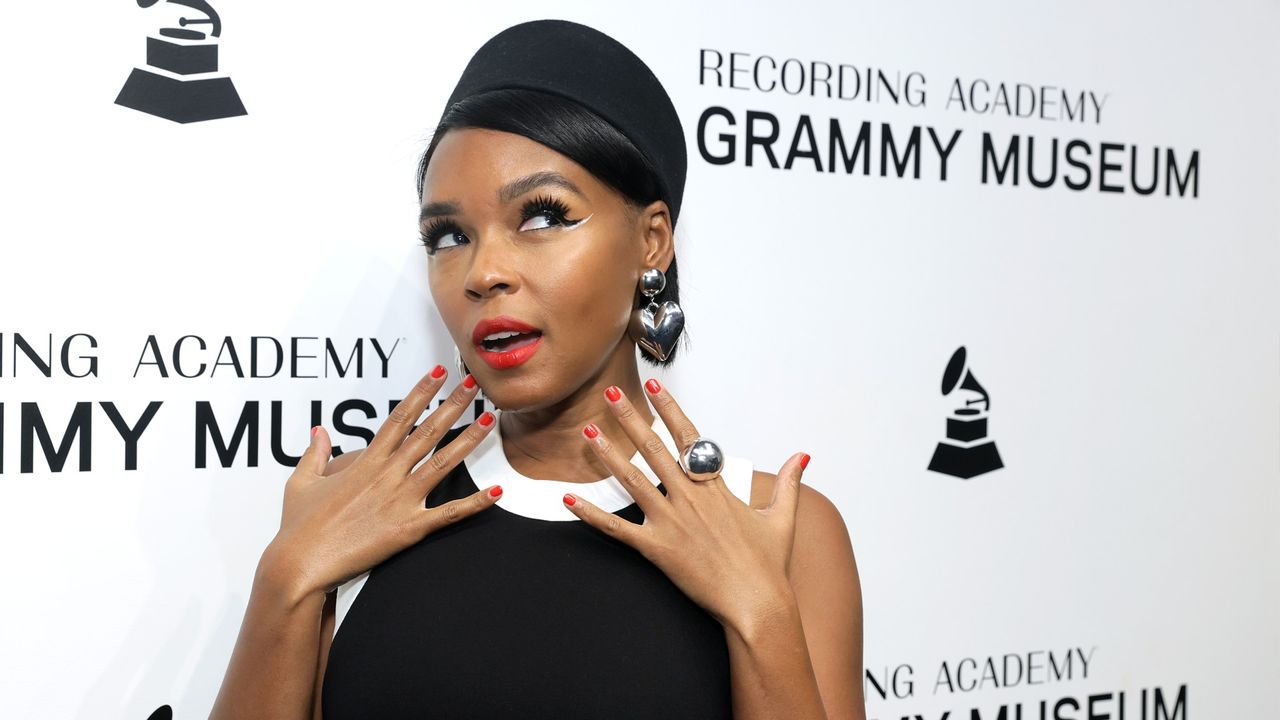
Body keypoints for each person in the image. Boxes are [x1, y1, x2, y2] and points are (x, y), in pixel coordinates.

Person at [212, 18, 864, 720]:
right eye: (450, 236)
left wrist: (758, 614)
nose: (484, 272)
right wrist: (287, 579)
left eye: (543, 216)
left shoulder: (781, 527)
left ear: (652, 241)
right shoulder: (354, 504)